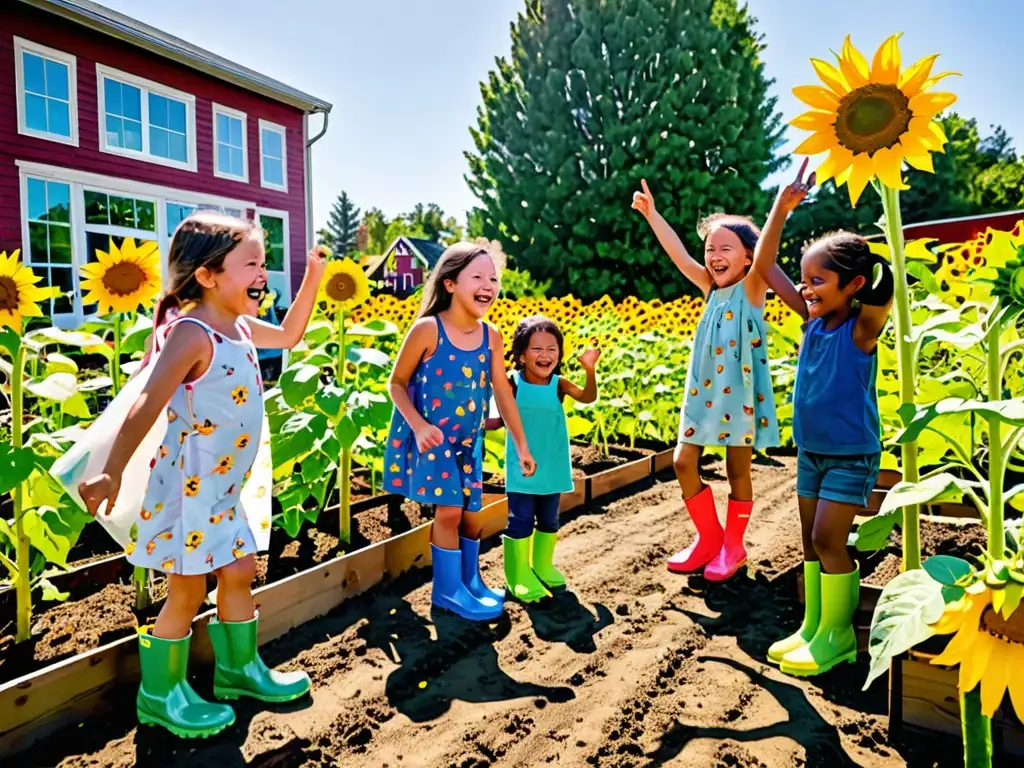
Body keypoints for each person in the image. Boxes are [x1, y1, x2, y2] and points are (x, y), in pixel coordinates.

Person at [76, 213, 326, 738]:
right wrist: (111, 472)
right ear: (209, 276)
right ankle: (159, 695)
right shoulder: (192, 332)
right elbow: (144, 405)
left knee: (239, 572)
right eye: (252, 264)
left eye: (264, 262)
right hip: (190, 488)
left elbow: (291, 334)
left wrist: (314, 278)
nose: (263, 273)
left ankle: (238, 671)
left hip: (225, 488)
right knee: (186, 590)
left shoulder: (237, 325)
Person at [751, 159, 893, 677]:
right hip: (811, 453)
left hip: (851, 456)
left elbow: (885, 288)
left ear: (853, 284)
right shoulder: (812, 324)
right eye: (805, 279)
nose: (807, 288)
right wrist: (780, 210)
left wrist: (879, 267)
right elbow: (763, 266)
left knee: (832, 541)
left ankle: (838, 636)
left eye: (819, 280)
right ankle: (813, 626)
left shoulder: (861, 332)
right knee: (810, 542)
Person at [631, 179, 786, 581]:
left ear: (748, 258)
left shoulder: (752, 288)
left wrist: (780, 209)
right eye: (710, 249)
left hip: (740, 396)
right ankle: (709, 538)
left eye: (725, 249)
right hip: (702, 391)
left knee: (738, 471)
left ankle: (733, 548)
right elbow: (680, 257)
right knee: (683, 460)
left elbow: (767, 248)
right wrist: (652, 215)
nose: (714, 256)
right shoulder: (708, 288)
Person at [384, 242, 536, 621]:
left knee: (472, 513)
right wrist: (418, 427)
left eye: (493, 278)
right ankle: (447, 591)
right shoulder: (427, 330)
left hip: (470, 443)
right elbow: (396, 384)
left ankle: (470, 581)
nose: (489, 285)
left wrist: (520, 443)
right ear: (450, 284)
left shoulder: (491, 336)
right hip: (433, 439)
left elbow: (501, 390)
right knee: (449, 512)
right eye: (478, 277)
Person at [484, 316, 599, 602]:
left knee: (549, 518)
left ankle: (542, 565)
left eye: (552, 349)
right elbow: (498, 420)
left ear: (559, 354)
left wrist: (589, 369)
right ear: (521, 355)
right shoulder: (512, 383)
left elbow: (587, 397)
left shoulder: (558, 384)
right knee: (520, 519)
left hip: (553, 463)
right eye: (536, 349)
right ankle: (517, 575)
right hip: (521, 465)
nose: (545, 355)